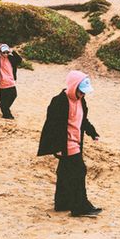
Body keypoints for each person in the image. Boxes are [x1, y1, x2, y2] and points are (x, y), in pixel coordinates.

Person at [36, 70, 102, 217]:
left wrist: (92, 132)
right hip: (64, 143)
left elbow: (83, 120)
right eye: (81, 91)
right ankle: (80, 207)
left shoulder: (81, 101)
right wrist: (57, 147)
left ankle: (62, 203)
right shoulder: (59, 101)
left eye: (84, 92)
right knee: (79, 171)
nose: (83, 94)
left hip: (76, 142)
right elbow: (52, 126)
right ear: (73, 87)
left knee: (64, 172)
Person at [0, 44, 23, 119]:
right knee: (3, 98)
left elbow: (19, 60)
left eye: (7, 52)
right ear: (1, 52)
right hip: (1, 81)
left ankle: (3, 106)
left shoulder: (11, 58)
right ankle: (6, 113)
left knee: (13, 95)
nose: (5, 54)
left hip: (10, 80)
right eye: (4, 52)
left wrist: (13, 51)